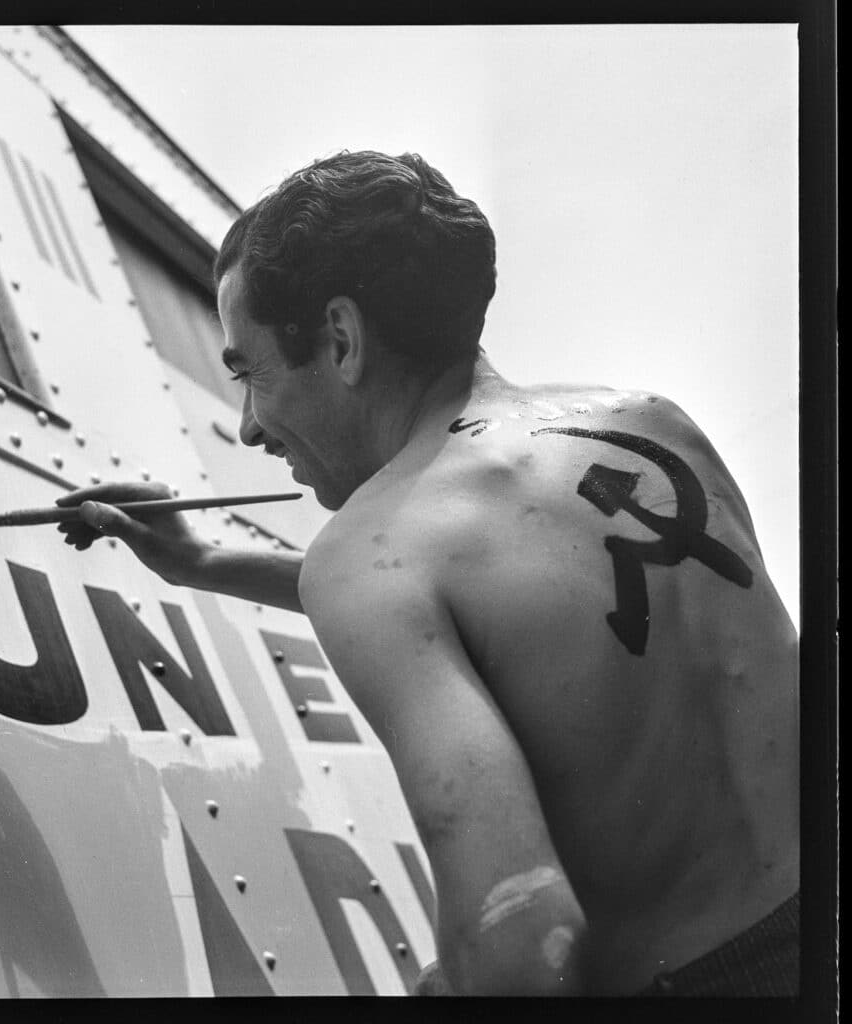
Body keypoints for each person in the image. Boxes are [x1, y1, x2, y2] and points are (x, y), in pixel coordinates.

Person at [55, 151, 799, 996]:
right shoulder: (657, 425)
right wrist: (204, 563)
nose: (249, 429)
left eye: (250, 373)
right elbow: (523, 588)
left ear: (341, 339)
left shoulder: (373, 557)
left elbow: (525, 948)